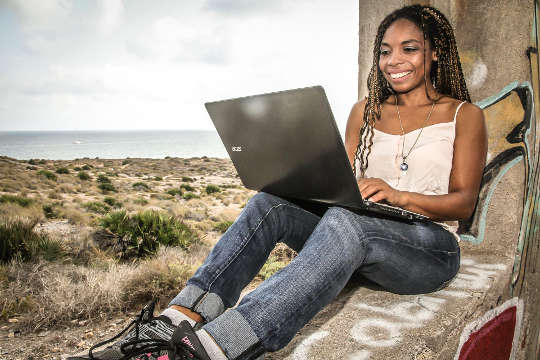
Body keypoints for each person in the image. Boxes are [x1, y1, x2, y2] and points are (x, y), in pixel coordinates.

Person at [67, 4, 487, 360]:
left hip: (426, 248)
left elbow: (464, 202)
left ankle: (215, 347)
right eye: (385, 51)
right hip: (360, 241)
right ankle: (181, 317)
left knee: (348, 224)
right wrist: (306, 179)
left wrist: (399, 195)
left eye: (409, 49)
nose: (394, 61)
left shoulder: (463, 115)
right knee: (271, 203)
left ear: (434, 53)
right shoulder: (364, 111)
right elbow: (340, 185)